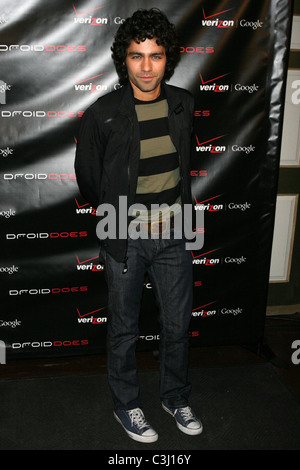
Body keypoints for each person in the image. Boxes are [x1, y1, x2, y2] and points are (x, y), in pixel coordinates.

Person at [75, 8, 202, 444]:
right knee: (124, 327)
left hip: (173, 234)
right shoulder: (104, 112)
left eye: (156, 56)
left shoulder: (184, 104)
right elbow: (89, 177)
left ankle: (174, 396)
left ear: (168, 59)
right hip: (123, 235)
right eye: (136, 56)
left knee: (177, 326)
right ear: (123, 60)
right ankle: (127, 406)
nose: (147, 67)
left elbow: (185, 166)